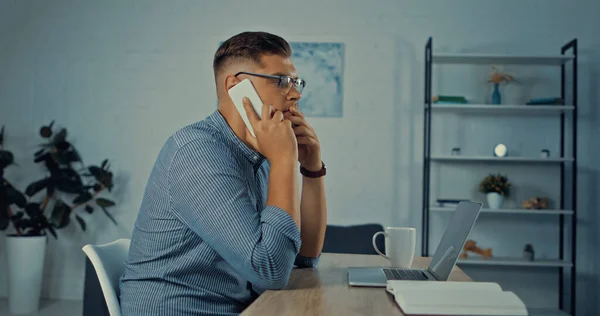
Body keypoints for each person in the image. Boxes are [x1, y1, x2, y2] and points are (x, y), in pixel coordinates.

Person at [118, 31, 327, 316]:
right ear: (236, 87)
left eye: (295, 82)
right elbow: (270, 271)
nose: (295, 93)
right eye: (281, 81)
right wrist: (284, 160)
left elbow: (304, 259)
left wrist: (312, 169)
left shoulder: (262, 155)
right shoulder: (197, 152)